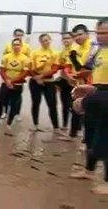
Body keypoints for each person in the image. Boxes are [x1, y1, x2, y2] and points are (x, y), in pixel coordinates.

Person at [70, 17, 108, 195]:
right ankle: (89, 171)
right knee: (92, 135)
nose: (100, 36)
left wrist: (86, 100)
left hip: (104, 98)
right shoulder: (99, 51)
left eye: (105, 33)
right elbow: (94, 74)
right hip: (99, 93)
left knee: (105, 138)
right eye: (98, 32)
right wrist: (88, 88)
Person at [0, 38, 29, 134]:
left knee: (14, 104)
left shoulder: (24, 59)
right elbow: (1, 70)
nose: (16, 47)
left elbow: (24, 73)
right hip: (5, 83)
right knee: (0, 101)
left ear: (21, 46)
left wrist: (12, 81)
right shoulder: (6, 57)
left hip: (17, 84)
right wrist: (7, 81)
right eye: (14, 45)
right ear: (11, 46)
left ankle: (9, 123)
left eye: (18, 45)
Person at [28, 33, 61, 133]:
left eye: (47, 40)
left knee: (52, 104)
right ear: (40, 42)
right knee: (36, 103)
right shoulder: (34, 53)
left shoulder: (55, 53)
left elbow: (55, 69)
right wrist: (36, 77)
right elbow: (30, 67)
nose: (45, 42)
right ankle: (35, 124)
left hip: (49, 81)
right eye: (43, 41)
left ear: (50, 40)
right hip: (35, 81)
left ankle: (56, 127)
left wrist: (42, 76)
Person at [56, 32, 83, 141]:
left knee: (75, 105)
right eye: (64, 39)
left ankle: (78, 129)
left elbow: (79, 67)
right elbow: (61, 67)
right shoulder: (62, 52)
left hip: (75, 81)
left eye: (68, 38)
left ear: (72, 39)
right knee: (64, 103)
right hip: (64, 81)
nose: (66, 40)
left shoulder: (75, 50)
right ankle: (65, 125)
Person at [1, 28, 30, 121]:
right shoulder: (8, 46)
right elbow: (4, 60)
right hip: (8, 75)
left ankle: (17, 113)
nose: (19, 37)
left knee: (18, 97)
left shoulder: (26, 47)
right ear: (14, 35)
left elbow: (29, 61)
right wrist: (6, 77)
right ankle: (5, 112)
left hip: (19, 76)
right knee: (5, 96)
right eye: (17, 35)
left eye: (21, 35)